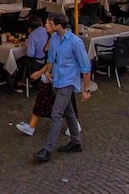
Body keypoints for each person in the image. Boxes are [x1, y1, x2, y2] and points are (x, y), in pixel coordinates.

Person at [30, 14, 91, 163]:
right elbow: (51, 58)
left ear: (59, 25)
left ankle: (47, 149)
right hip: (57, 80)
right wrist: (48, 72)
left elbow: (85, 66)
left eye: (50, 23)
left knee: (56, 113)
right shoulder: (55, 39)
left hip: (68, 82)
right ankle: (76, 142)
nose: (47, 25)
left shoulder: (75, 42)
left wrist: (86, 89)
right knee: (68, 112)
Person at [16, 14, 52, 136]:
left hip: (43, 66)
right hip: (47, 68)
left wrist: (38, 72)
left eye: (49, 23)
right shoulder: (48, 34)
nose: (46, 26)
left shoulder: (33, 36)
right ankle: (31, 126)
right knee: (47, 99)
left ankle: (19, 80)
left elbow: (31, 54)